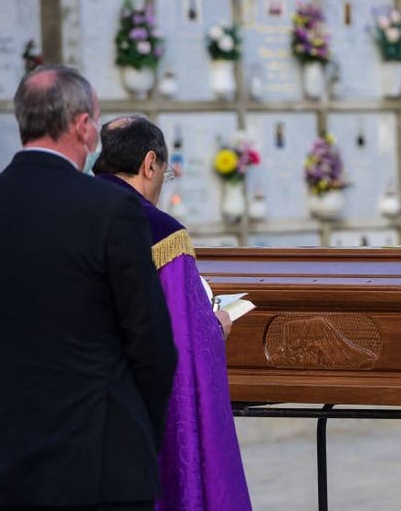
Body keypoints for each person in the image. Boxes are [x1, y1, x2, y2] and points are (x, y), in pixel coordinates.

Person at [0, 65, 177, 511]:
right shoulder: (112, 210)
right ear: (83, 126)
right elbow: (152, 346)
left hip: (3, 464)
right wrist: (135, 430)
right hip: (99, 466)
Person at [92, 116, 252, 511]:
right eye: (166, 172)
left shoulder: (68, 211)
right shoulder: (162, 233)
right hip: (136, 412)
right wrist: (216, 327)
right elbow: (182, 336)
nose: (163, 182)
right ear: (150, 164)